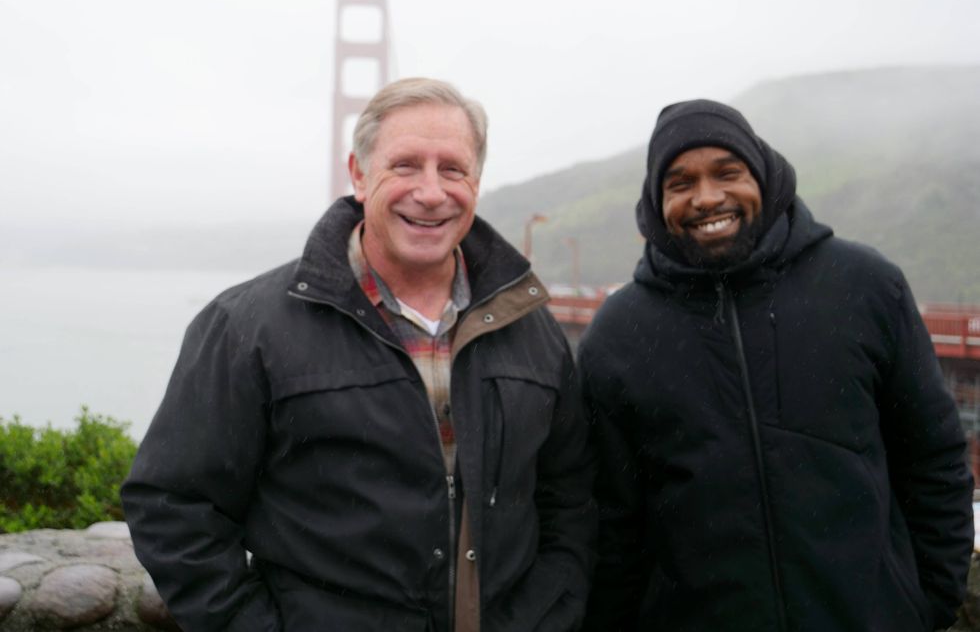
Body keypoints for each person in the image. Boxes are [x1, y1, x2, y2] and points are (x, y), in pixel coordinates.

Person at [122, 77, 594, 632]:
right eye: (405, 165)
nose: (431, 191)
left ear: (477, 181)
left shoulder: (531, 329)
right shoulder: (247, 327)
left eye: (453, 169)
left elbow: (572, 501)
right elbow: (174, 507)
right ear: (358, 174)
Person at [579, 99, 973, 631]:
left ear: (763, 177)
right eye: (680, 183)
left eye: (727, 172)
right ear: (656, 202)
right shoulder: (619, 332)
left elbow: (933, 458)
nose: (707, 197)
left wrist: (927, 603)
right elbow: (613, 523)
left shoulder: (864, 286)